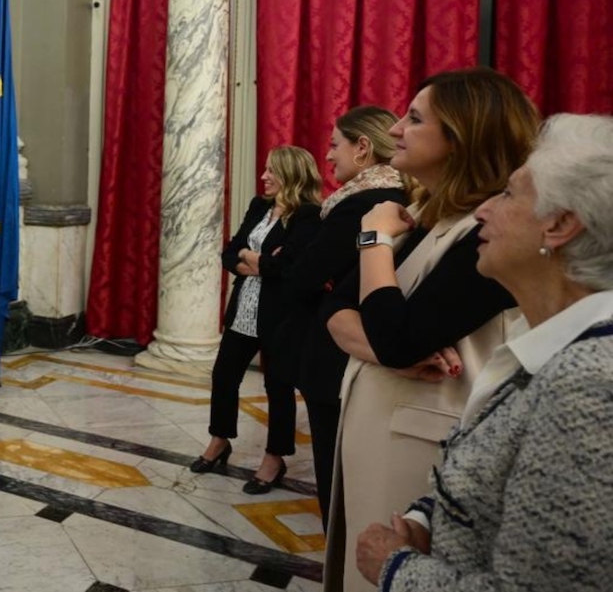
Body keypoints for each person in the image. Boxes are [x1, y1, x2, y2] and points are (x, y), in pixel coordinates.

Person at [355, 113, 613, 591]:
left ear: (559, 224)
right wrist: (430, 520)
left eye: (511, 194)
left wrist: (397, 568)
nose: (483, 212)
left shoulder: (591, 386)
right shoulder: (553, 350)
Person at [319, 67, 539, 592]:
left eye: (414, 119)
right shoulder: (423, 216)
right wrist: (385, 344)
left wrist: (373, 239)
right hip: (376, 430)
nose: (395, 129)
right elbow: (335, 309)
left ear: (461, 140)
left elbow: (396, 336)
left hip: (424, 452)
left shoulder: (491, 233)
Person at [278, 106, 409, 528]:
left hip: (337, 359)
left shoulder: (360, 205)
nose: (329, 156)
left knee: (338, 485)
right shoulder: (401, 196)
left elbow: (300, 279)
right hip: (368, 360)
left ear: (363, 148)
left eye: (335, 144)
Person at [189, 145, 322, 494]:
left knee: (278, 386)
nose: (263, 177)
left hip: (282, 315)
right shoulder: (259, 206)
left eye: (271, 171)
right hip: (244, 308)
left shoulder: (308, 216)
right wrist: (257, 259)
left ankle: (274, 458)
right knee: (224, 376)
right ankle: (220, 441)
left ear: (291, 175)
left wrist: (256, 261)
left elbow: (292, 268)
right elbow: (229, 253)